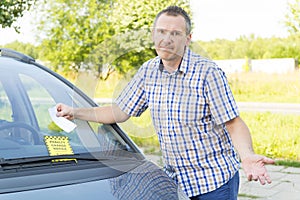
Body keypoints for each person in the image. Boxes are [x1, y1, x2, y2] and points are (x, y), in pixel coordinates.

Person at [56, 5, 275, 200]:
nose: (166, 39)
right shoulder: (149, 71)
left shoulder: (208, 73)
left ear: (188, 38)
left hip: (214, 182)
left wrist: (246, 156)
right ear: (153, 34)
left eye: (175, 33)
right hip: (176, 182)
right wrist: (75, 112)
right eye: (161, 32)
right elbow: (119, 111)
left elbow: (233, 123)